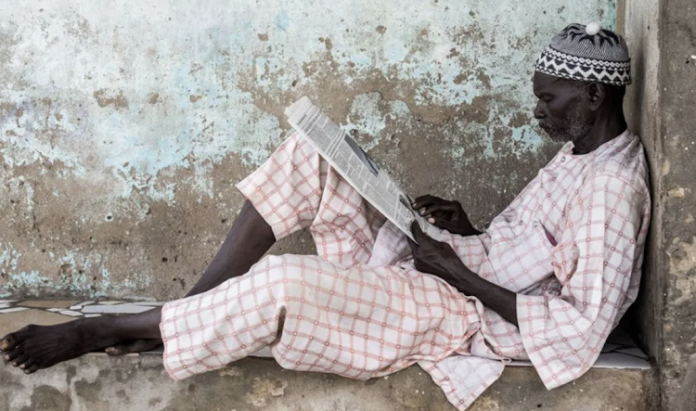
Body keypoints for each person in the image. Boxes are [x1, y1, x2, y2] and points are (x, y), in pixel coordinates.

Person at [1, 22, 650, 410]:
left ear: (593, 95)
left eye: (549, 99)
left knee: (287, 284)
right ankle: (181, 318)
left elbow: (579, 326)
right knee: (309, 157)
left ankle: (103, 329)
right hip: (443, 270)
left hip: (455, 313)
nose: (538, 112)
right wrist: (470, 231)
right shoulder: (580, 154)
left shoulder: (613, 192)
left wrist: (458, 271)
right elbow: (537, 256)